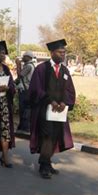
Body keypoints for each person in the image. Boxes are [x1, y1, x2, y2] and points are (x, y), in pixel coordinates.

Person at [29, 39, 76, 179]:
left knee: (55, 136)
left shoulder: (64, 70)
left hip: (59, 111)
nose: (63, 55)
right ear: (52, 53)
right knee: (47, 136)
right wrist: (50, 100)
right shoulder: (41, 69)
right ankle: (44, 166)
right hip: (45, 109)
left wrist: (64, 102)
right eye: (60, 52)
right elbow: (36, 89)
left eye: (64, 52)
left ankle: (47, 162)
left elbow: (69, 89)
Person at [15, 51, 35, 134]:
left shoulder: (29, 66)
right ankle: (23, 126)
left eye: (24, 56)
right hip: (26, 90)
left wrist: (18, 65)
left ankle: (25, 127)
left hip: (25, 91)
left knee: (24, 109)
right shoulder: (28, 65)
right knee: (24, 109)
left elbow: (20, 75)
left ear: (28, 57)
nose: (22, 58)